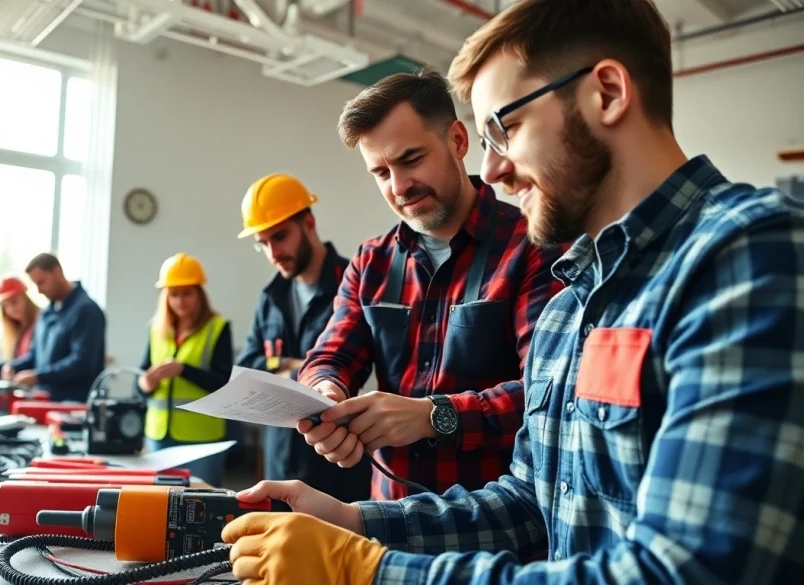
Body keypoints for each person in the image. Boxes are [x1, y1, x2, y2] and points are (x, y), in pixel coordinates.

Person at [219, 1, 804, 584]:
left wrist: (367, 568)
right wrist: (354, 520)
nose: (492, 168)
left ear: (606, 93)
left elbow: (689, 571)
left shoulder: (751, 255)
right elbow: (529, 506)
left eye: (506, 128)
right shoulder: (571, 306)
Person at [296, 69, 566, 500]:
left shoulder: (534, 248)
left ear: (458, 141)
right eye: (381, 173)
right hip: (392, 522)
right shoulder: (371, 262)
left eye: (411, 160)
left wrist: (434, 416)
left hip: (496, 528)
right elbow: (330, 355)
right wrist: (324, 394)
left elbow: (550, 393)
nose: (399, 187)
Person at [235, 173, 371, 503]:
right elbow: (247, 367)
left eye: (279, 237)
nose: (273, 252)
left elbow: (360, 368)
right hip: (280, 457)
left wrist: (284, 370)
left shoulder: (352, 285)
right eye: (262, 243)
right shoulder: (272, 297)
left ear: (308, 223)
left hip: (338, 462)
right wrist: (297, 368)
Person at [136, 253, 233, 487]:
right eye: (174, 294)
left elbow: (224, 383)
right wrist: (144, 385)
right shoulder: (155, 329)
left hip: (202, 439)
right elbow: (140, 376)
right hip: (159, 435)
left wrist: (183, 370)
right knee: (160, 505)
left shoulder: (218, 328)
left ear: (200, 293)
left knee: (202, 505)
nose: (180, 301)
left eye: (187, 293)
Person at [0, 253, 106, 402]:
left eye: (41, 282)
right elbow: (34, 356)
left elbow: (82, 361)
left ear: (57, 272)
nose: (39, 290)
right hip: (45, 400)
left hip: (75, 403)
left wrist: (38, 377)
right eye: (35, 285)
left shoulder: (86, 310)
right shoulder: (46, 314)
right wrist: (4, 367)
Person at [0, 276, 39, 363]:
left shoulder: (42, 323)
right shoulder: (18, 330)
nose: (11, 309)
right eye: (5, 306)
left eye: (14, 302)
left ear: (26, 299)